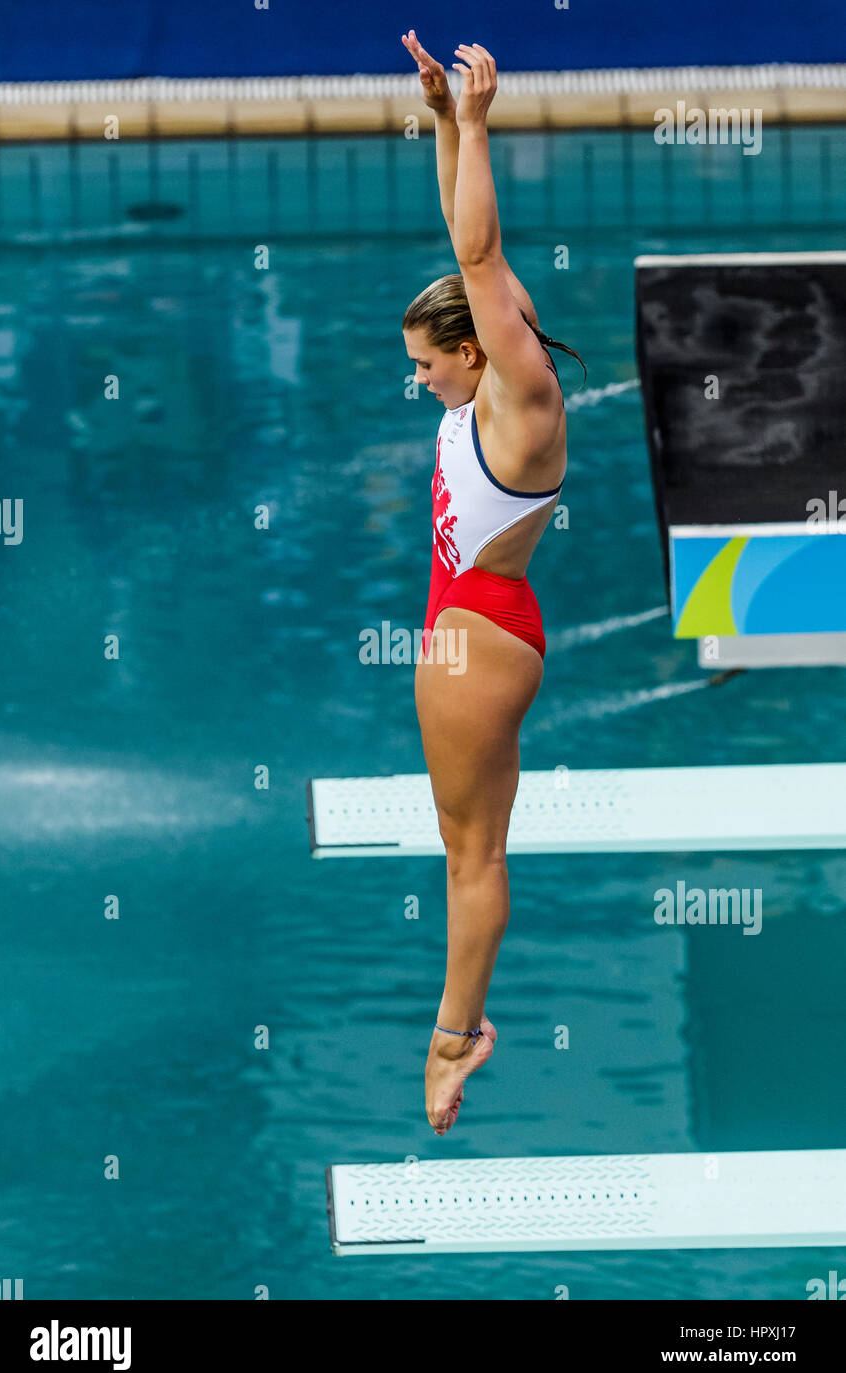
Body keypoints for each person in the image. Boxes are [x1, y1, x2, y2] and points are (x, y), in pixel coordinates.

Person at [400, 31, 585, 1136]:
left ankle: (451, 1038)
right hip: (481, 626)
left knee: (470, 854)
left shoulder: (521, 402)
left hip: (472, 633)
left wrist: (473, 123)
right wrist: (440, 123)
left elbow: (474, 259)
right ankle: (458, 1029)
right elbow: (468, 255)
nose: (416, 375)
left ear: (473, 352)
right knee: (471, 846)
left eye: (427, 360)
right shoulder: (488, 384)